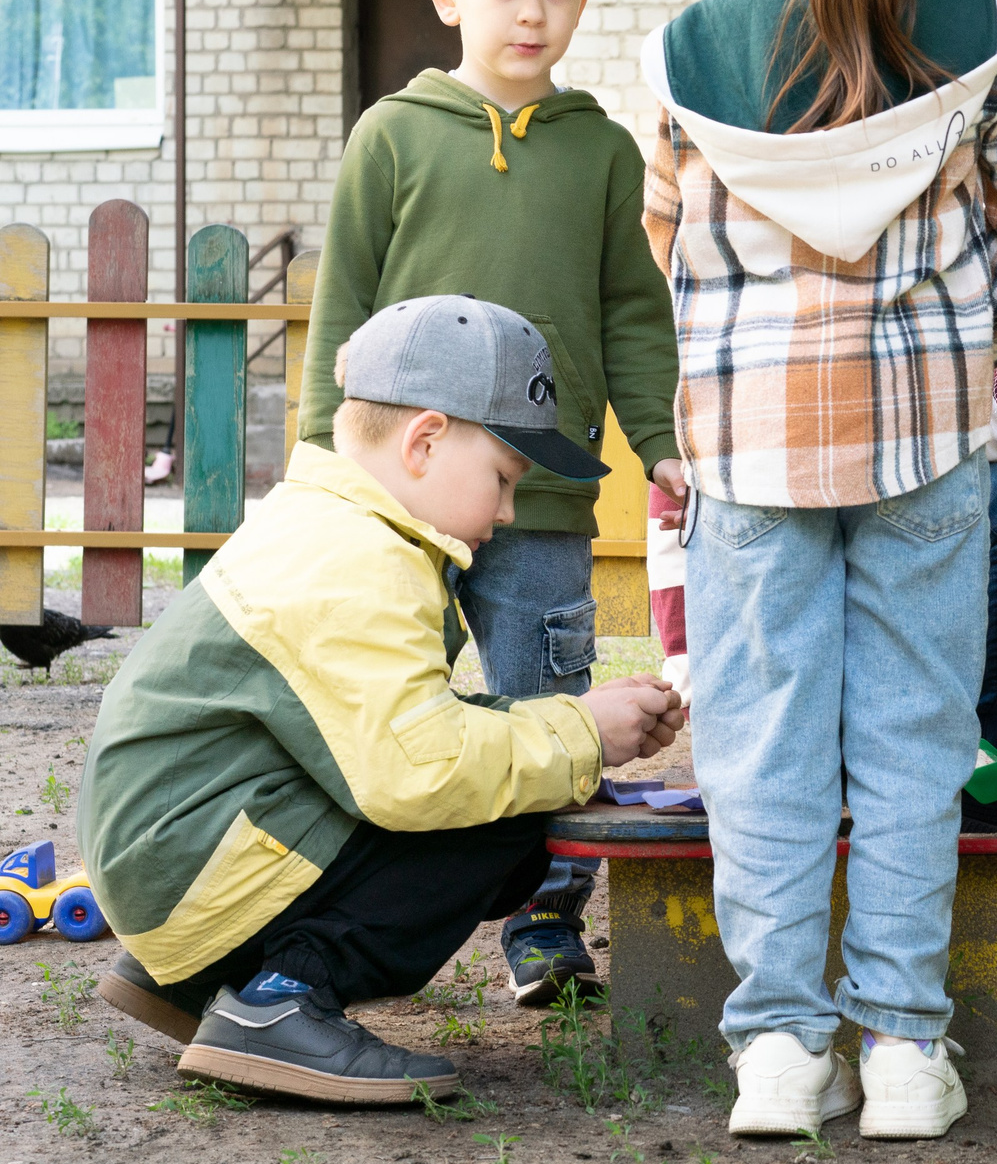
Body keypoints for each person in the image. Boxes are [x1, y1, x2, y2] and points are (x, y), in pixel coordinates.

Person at [642, 0, 997, 1142]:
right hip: (924, 439)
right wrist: (955, 324)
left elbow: (667, 250)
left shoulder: (693, 51)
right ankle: (901, 1052)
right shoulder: (982, 36)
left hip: (752, 448)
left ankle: (778, 1051)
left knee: (759, 747)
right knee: (911, 740)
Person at [82, 299, 685, 1103]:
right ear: (425, 442)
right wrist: (581, 736)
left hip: (175, 854)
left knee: (503, 768)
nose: (507, 512)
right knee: (502, 816)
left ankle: (205, 974)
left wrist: (582, 718)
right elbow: (419, 772)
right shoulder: (361, 558)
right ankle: (281, 994)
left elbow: (394, 723)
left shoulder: (332, 523)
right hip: (191, 871)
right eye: (504, 479)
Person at [297, 0, 684, 1007]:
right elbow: (342, 309)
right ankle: (350, 909)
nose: (532, 10)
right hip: (398, 503)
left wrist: (661, 439)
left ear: (584, 0)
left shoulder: (601, 152)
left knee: (548, 705)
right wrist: (321, 462)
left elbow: (632, 314)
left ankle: (546, 922)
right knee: (377, 699)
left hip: (544, 497)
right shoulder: (391, 137)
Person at [642, 271, 997, 833]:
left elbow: (969, 432)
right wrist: (688, 663)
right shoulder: (735, 320)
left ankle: (969, 769)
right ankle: (810, 770)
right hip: (780, 479)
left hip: (887, 458)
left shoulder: (921, 290)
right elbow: (676, 496)